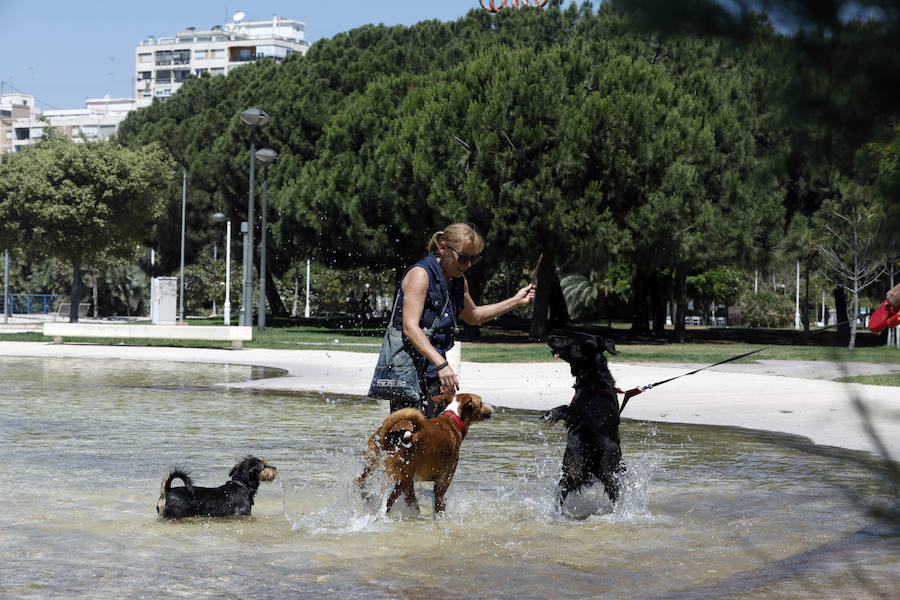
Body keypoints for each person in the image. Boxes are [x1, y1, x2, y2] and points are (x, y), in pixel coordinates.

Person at [387, 223, 536, 417]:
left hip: (435, 370)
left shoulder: (459, 281)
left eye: (472, 259)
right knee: (404, 434)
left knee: (434, 436)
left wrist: (516, 301)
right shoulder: (420, 275)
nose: (468, 265)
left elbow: (473, 316)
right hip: (407, 370)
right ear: (443, 247)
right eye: (463, 258)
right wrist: (442, 365)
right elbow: (410, 327)